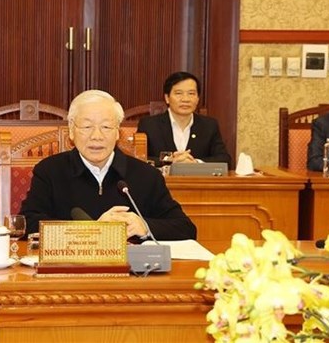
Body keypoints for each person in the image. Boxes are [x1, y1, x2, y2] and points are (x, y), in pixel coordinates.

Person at [19, 89, 197, 240]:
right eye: (87, 127)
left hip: (130, 275)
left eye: (106, 127)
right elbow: (28, 223)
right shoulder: (50, 170)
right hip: (69, 273)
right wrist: (93, 230)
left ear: (118, 132)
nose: (97, 136)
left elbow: (186, 228)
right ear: (72, 131)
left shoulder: (146, 175)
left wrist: (144, 226)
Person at [137, 71, 231, 166]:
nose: (185, 99)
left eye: (191, 93)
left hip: (196, 180)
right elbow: (139, 159)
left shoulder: (209, 125)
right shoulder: (149, 125)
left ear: (198, 98)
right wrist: (170, 160)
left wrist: (195, 163)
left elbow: (224, 159)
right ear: (167, 98)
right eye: (178, 93)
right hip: (162, 180)